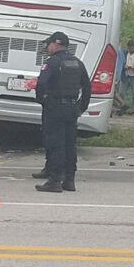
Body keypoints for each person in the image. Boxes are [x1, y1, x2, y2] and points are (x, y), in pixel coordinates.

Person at [33, 32, 91, 193]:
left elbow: (41, 84)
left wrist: (43, 101)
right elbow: (87, 87)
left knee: (55, 144)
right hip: (72, 109)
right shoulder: (77, 63)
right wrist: (81, 107)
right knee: (69, 145)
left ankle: (54, 180)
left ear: (55, 44)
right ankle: (69, 180)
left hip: (56, 109)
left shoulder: (52, 62)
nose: (48, 48)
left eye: (49, 44)